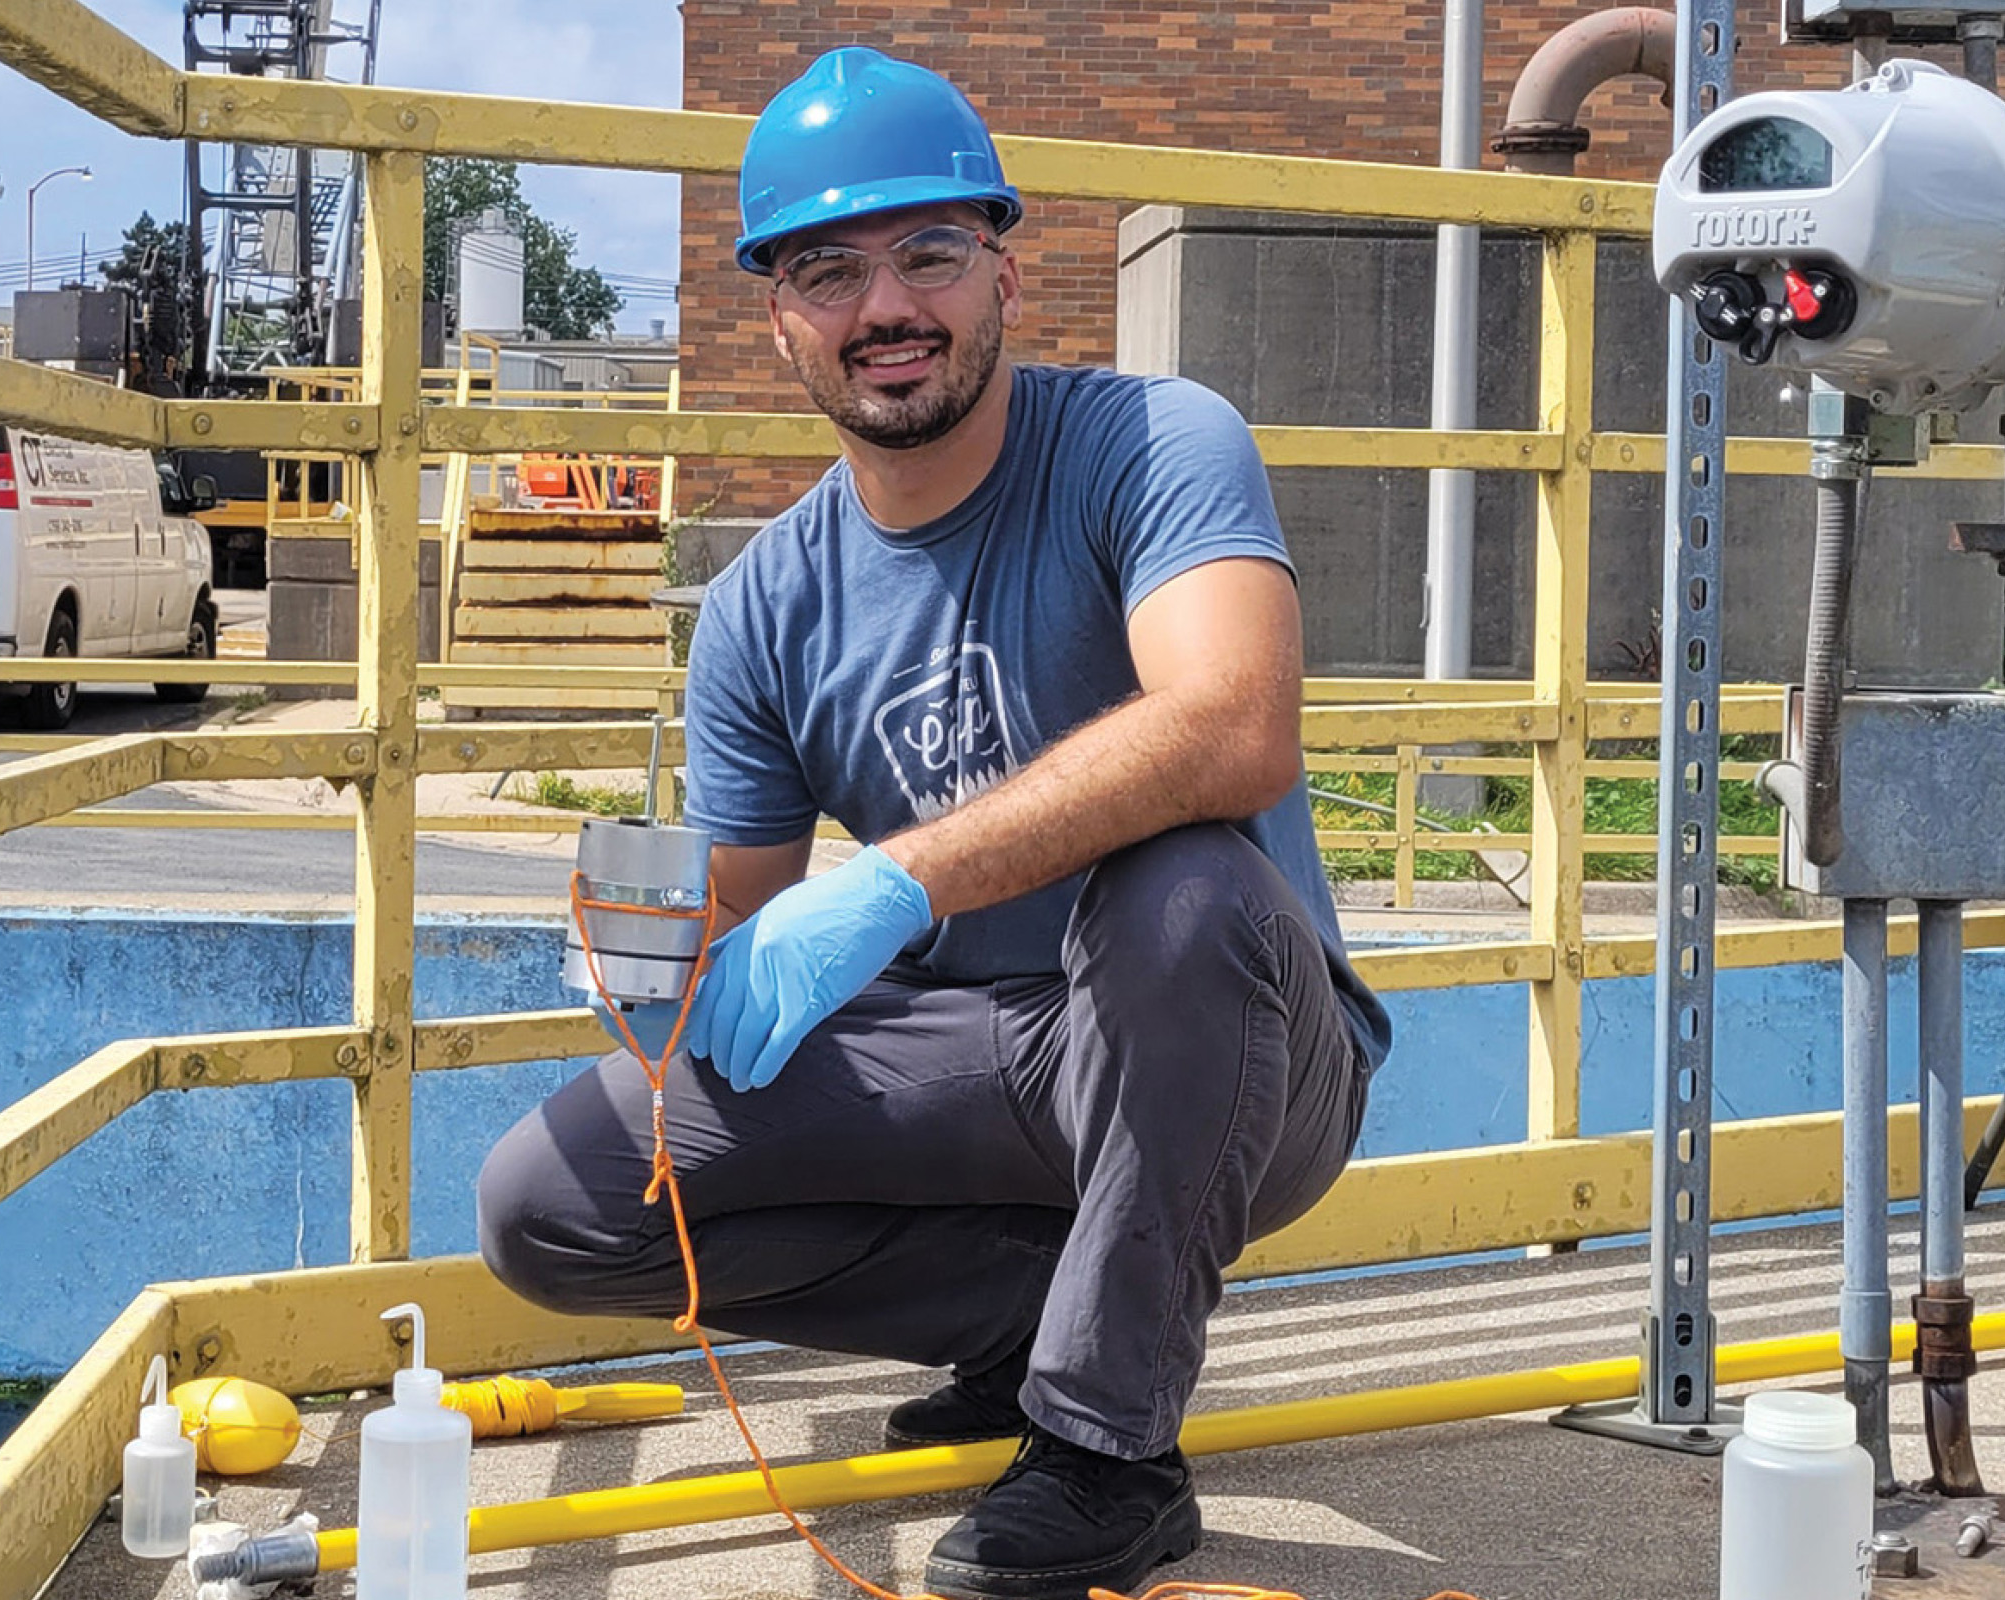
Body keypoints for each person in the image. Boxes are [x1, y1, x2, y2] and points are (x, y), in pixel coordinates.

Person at [474, 45, 1393, 1600]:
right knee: (553, 1208)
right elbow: (754, 920)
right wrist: (656, 946)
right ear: (779, 317)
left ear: (1004, 272)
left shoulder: (1152, 444)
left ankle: (1107, 1451)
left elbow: (1235, 725)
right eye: (828, 270)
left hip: (1222, 1043)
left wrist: (891, 883)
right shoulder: (767, 602)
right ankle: (1041, 1327)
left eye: (928, 253)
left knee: (1185, 887)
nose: (885, 306)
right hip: (967, 1057)